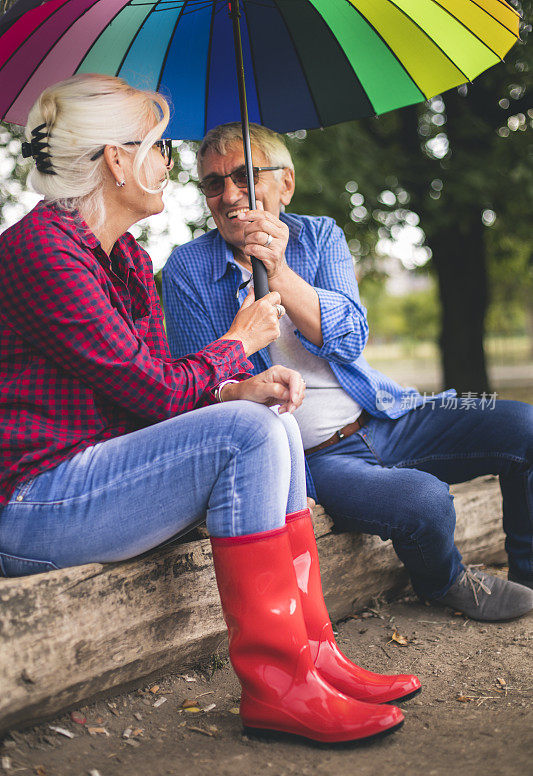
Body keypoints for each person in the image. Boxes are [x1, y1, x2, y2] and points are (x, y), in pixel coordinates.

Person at [0, 75, 420, 745]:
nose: (170, 164)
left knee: (267, 416)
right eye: (161, 147)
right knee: (248, 435)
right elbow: (152, 392)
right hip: (38, 507)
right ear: (117, 159)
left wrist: (235, 387)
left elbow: (158, 385)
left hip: (103, 476)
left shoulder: (125, 257)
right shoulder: (44, 251)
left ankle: (314, 658)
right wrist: (236, 345)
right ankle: (277, 685)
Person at [162, 122, 533, 623]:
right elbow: (197, 388)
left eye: (246, 175)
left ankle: (528, 573)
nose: (230, 194)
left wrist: (281, 270)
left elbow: (352, 338)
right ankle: (444, 583)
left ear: (285, 184)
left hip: (384, 413)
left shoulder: (320, 236)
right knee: (425, 500)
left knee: (522, 427)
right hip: (317, 458)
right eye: (213, 182)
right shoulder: (187, 267)